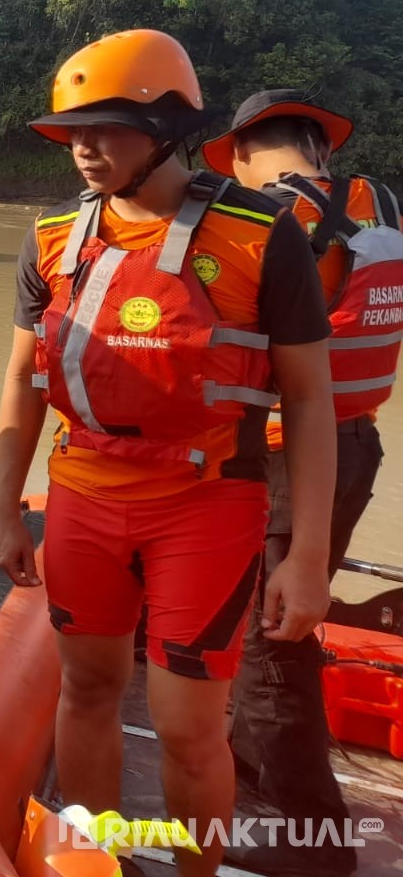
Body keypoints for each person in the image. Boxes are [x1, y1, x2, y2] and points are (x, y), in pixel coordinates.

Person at [0, 31, 337, 877]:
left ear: (168, 128)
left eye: (107, 127)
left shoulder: (263, 235)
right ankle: (96, 864)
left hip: (207, 502)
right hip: (82, 494)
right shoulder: (52, 239)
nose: (83, 146)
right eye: (74, 129)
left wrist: (311, 555)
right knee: (88, 690)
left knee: (187, 728)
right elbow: (21, 385)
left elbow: (311, 398)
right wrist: (5, 509)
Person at [202, 91, 403, 875]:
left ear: (248, 152)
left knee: (268, 638)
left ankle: (308, 833)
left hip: (290, 454)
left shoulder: (277, 222)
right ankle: (252, 776)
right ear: (321, 147)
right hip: (355, 444)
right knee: (280, 621)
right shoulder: (376, 203)